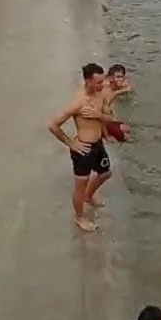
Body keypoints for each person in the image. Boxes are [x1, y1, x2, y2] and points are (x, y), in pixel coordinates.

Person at [46, 62, 114, 232]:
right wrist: (71, 143)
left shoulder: (100, 95)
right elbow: (53, 124)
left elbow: (110, 118)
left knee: (106, 173)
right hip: (83, 149)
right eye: (99, 82)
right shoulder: (79, 102)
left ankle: (88, 196)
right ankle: (80, 217)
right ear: (88, 81)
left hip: (98, 143)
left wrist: (99, 115)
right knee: (80, 185)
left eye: (103, 80)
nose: (103, 85)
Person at [102, 63, 133, 143]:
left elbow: (129, 87)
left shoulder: (115, 88)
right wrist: (107, 136)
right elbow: (101, 117)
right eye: (117, 77)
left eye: (121, 77)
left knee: (128, 128)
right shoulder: (107, 91)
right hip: (102, 123)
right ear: (111, 78)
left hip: (108, 121)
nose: (120, 80)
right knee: (129, 138)